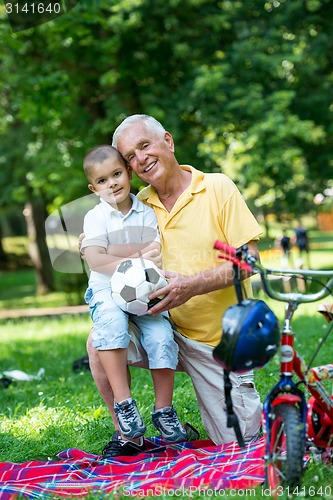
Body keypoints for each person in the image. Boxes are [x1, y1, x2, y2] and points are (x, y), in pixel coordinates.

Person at [86, 115, 263, 457]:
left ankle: (184, 426)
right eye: (130, 156)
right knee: (99, 341)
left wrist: (193, 286)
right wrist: (87, 244)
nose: (140, 159)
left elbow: (250, 261)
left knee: (243, 444)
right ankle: (128, 433)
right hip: (158, 326)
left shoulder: (216, 187)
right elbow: (97, 234)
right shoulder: (138, 205)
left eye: (144, 145)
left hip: (217, 342)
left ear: (167, 141)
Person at [81, 145, 187, 456]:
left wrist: (121, 256)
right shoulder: (95, 217)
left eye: (116, 174)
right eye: (102, 181)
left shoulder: (146, 212)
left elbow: (153, 252)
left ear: (128, 173)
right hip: (106, 289)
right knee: (111, 326)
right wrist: (134, 258)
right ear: (93, 188)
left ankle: (164, 410)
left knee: (161, 335)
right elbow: (95, 261)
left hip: (144, 288)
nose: (111, 184)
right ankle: (125, 404)